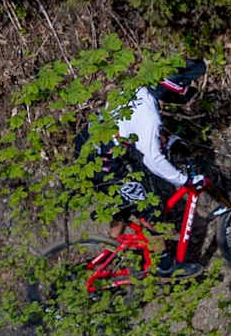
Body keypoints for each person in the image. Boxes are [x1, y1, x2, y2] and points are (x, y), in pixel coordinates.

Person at [80, 59, 212, 277]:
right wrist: (184, 181)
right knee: (151, 206)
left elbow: (134, 129)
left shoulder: (136, 88)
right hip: (101, 161)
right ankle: (164, 266)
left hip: (92, 147)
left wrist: (169, 141)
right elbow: (153, 160)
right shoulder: (149, 115)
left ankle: (114, 244)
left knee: (131, 196)